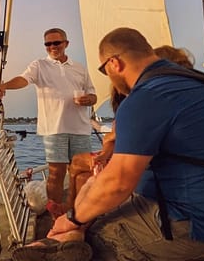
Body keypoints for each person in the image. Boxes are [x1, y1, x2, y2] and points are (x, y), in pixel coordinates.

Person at [22, 27, 204, 260]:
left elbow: (118, 182)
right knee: (93, 213)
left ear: (114, 63)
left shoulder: (147, 96)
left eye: (104, 70)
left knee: (98, 237)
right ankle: (67, 237)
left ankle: (64, 239)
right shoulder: (203, 83)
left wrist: (72, 219)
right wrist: (77, 217)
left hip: (200, 228)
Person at [65, 45, 193, 211]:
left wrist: (75, 221)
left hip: (166, 197)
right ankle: (71, 210)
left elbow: (123, 178)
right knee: (82, 171)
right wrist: (106, 152)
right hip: (153, 173)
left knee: (84, 175)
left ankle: (74, 215)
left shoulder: (147, 102)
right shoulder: (196, 96)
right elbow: (115, 137)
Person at [0, 28, 97, 217]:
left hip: (81, 128)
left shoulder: (80, 68)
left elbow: (92, 94)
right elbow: (23, 80)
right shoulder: (39, 66)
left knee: (80, 173)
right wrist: (5, 86)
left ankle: (78, 211)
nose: (52, 47)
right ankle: (56, 216)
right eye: (47, 44)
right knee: (56, 174)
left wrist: (89, 99)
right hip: (53, 128)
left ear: (66, 44)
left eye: (56, 43)